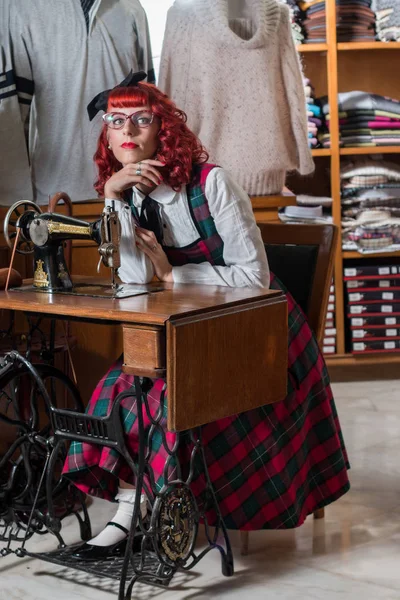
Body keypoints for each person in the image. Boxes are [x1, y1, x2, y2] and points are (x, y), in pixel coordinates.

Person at [62, 72, 350, 560]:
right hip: (191, 329)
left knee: (171, 395)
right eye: (116, 121)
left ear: (162, 130)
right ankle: (134, 512)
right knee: (123, 386)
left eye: (141, 119)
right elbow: (134, 281)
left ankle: (142, 515)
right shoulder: (129, 195)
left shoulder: (211, 183)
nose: (128, 129)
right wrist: (113, 202)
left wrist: (174, 277)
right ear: (107, 136)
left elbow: (254, 278)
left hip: (256, 330)